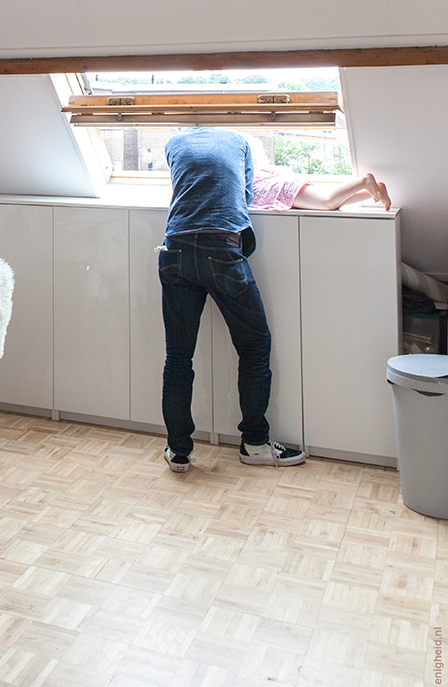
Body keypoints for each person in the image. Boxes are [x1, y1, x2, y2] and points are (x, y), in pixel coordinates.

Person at [158, 128, 305, 474]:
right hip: (221, 249)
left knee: (178, 357)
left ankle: (178, 451)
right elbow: (246, 191)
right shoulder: (240, 143)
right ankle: (255, 443)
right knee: (255, 347)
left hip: (174, 249)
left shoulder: (174, 142)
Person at [251, 165, 391, 212]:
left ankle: (364, 181)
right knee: (334, 204)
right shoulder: (254, 174)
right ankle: (376, 190)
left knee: (327, 203)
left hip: (281, 188)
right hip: (284, 183)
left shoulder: (247, 181)